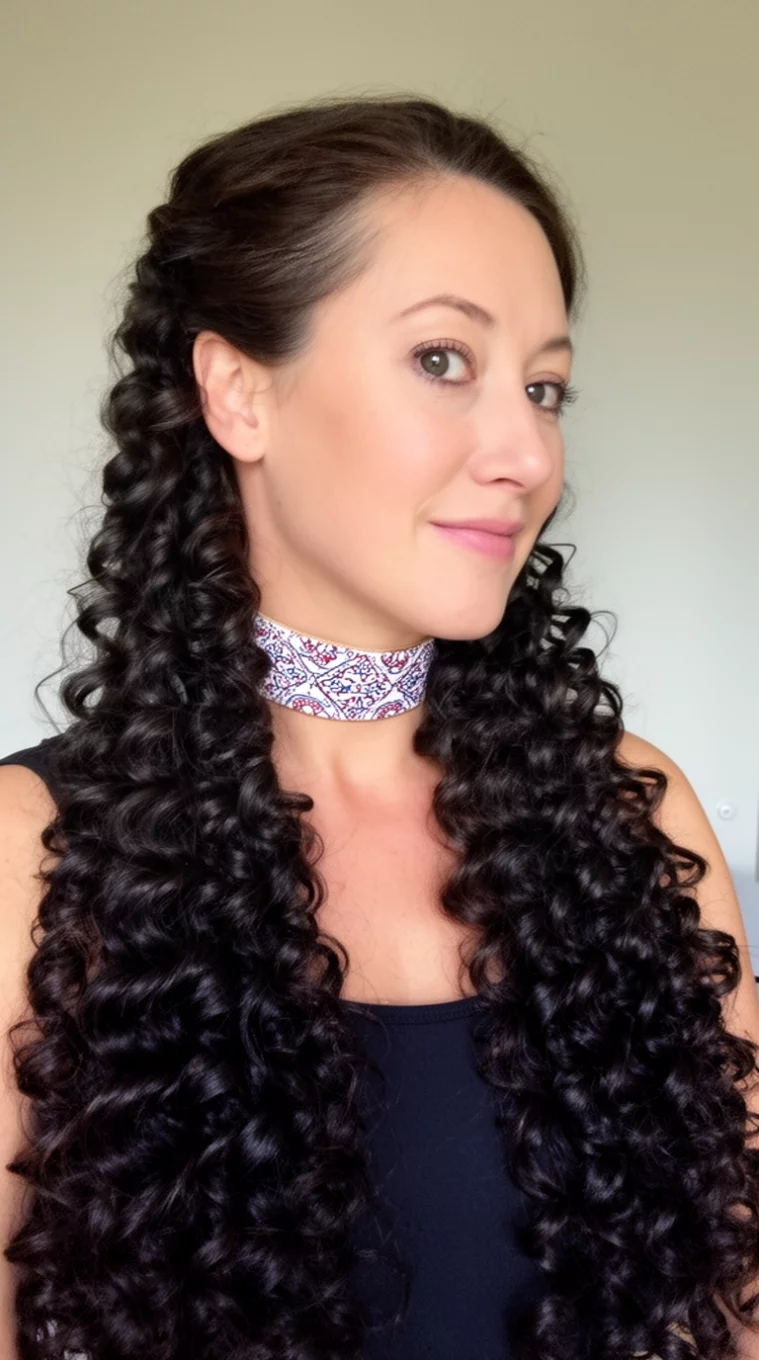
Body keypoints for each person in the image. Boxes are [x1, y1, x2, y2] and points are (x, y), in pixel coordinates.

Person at [1, 93, 758, 1360]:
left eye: (547, 386)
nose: (524, 450)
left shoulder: (638, 813)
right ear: (237, 392)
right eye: (443, 360)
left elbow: (738, 1305)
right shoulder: (32, 857)